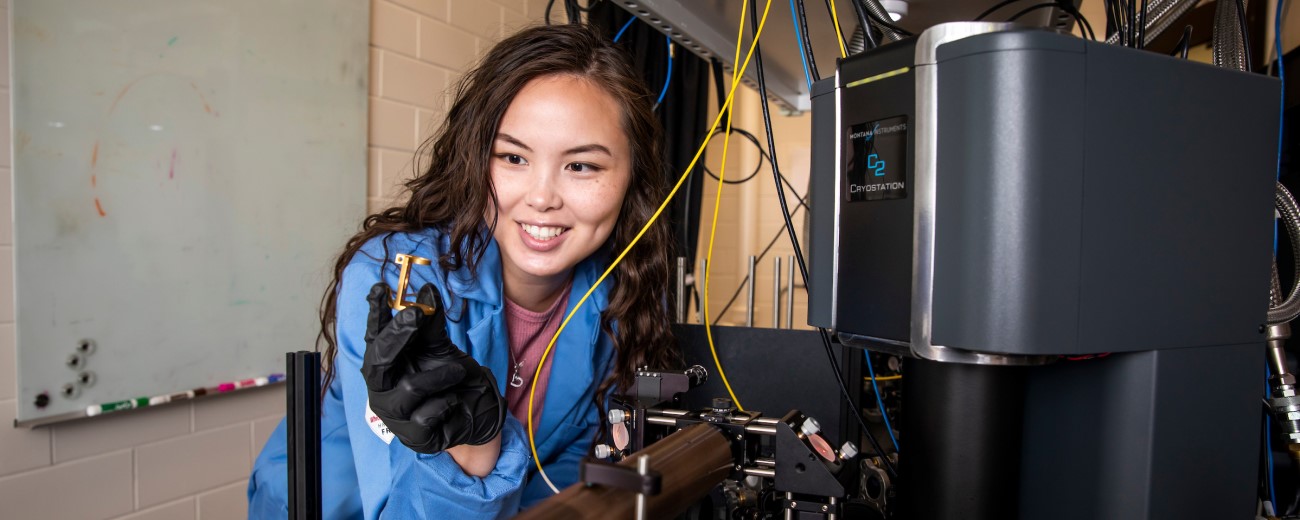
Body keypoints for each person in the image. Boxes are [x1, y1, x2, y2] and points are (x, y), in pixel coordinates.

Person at [246, 23, 679, 518]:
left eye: (581, 166)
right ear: (477, 159)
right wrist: (476, 448)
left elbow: (565, 477)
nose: (541, 197)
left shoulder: (622, 297)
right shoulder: (395, 280)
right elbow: (400, 507)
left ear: (633, 178)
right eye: (513, 157)